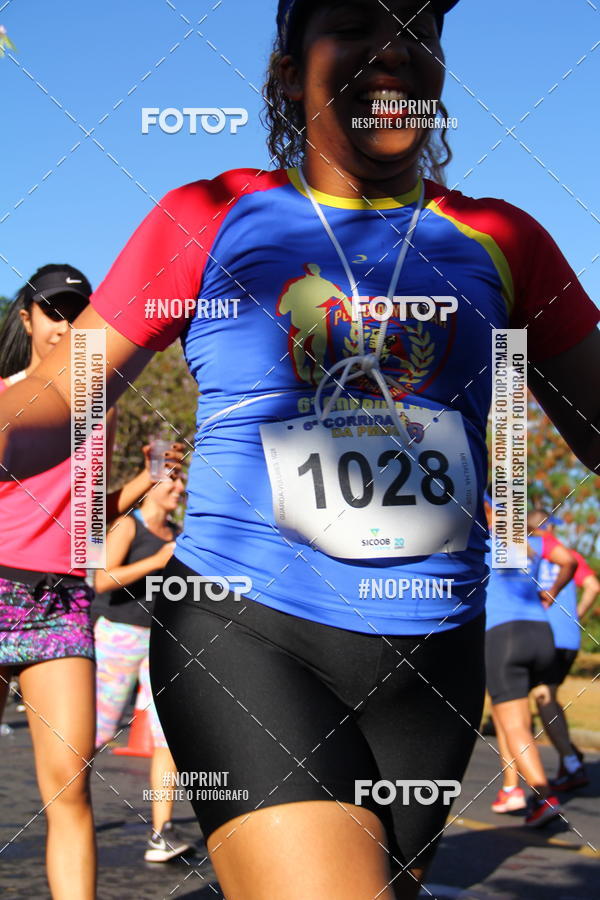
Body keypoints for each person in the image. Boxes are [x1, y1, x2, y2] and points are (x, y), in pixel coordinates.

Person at [1, 0, 599, 896]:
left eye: (420, 33)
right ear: (288, 69)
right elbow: (52, 401)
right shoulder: (210, 215)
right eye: (357, 23)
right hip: (247, 633)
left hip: (431, 663)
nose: (393, 50)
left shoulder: (505, 240)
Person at [0, 265, 183, 900]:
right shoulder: (3, 397)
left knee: (71, 785)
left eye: (78, 314)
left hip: (59, 603)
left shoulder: (94, 416)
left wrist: (139, 487)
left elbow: (80, 523)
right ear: (26, 319)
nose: (65, 326)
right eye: (52, 312)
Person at [93, 475, 194, 862]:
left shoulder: (179, 533)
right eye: (171, 485)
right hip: (119, 635)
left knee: (165, 734)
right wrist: (156, 560)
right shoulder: (127, 524)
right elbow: (102, 579)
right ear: (150, 487)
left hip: (162, 640)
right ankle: (67, 807)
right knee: (99, 730)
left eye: (180, 487)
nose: (177, 492)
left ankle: (160, 833)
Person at [483, 498, 577, 825]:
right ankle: (511, 790)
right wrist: (550, 594)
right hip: (540, 632)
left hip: (503, 636)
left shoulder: (482, 542)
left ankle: (543, 797)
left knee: (514, 725)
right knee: (515, 715)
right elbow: (569, 561)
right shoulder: (533, 543)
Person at [528, 510, 600, 791]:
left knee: (542, 697)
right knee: (550, 696)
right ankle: (568, 753)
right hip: (568, 637)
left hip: (541, 634)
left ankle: (571, 762)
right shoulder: (570, 555)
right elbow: (593, 586)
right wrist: (576, 615)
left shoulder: (526, 552)